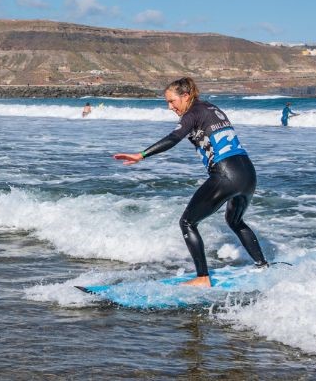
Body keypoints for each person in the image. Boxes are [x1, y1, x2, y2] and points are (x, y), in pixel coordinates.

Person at [112, 77, 267, 288]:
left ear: (185, 96)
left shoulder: (192, 113)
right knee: (235, 220)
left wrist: (141, 155)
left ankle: (202, 278)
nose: (170, 107)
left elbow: (173, 138)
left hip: (225, 173)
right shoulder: (211, 108)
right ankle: (262, 264)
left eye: (172, 101)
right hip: (247, 173)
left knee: (187, 222)